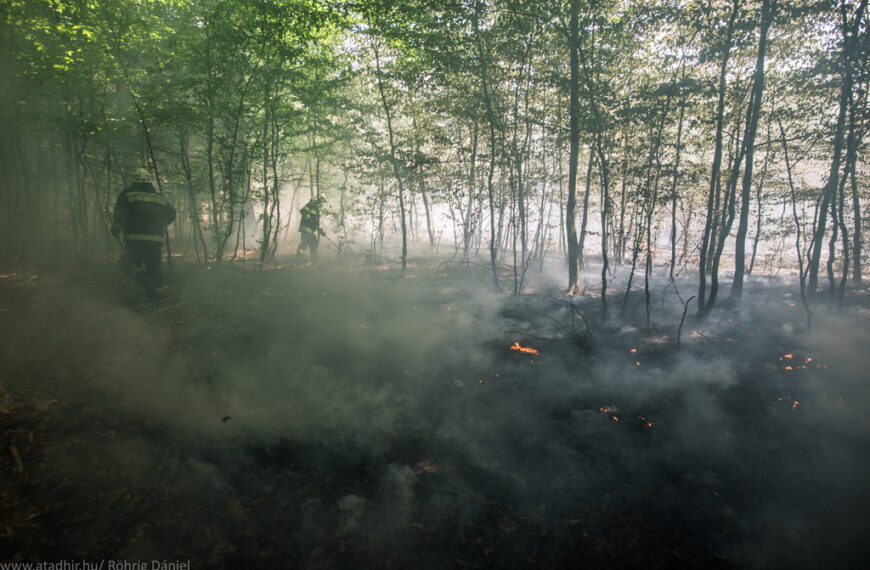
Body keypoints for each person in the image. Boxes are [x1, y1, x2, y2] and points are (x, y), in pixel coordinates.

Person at [111, 167, 176, 294]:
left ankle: (146, 282)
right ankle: (156, 292)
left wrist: (115, 229)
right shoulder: (160, 198)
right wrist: (162, 223)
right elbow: (172, 214)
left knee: (129, 264)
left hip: (134, 238)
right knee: (154, 266)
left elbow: (121, 214)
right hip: (155, 240)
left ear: (134, 181)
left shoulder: (127, 195)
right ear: (150, 182)